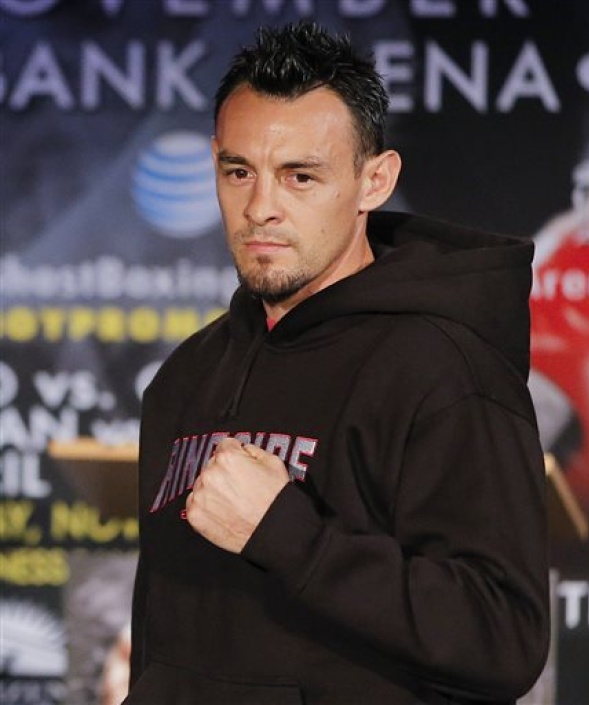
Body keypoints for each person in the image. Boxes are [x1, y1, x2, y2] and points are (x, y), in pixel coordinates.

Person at [125, 21, 549, 705]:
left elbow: (503, 638)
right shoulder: (185, 376)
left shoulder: (445, 371)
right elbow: (162, 635)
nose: (260, 208)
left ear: (374, 181)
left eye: (300, 176)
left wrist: (288, 535)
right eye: (239, 172)